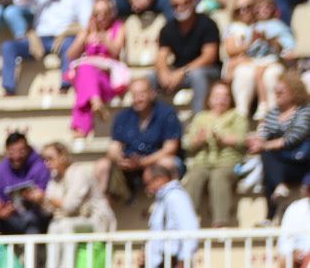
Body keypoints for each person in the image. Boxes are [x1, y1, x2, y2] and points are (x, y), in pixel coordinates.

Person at [0, 0, 92, 97]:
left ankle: (65, 86)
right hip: (40, 39)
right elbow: (19, 0)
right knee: (8, 47)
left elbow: (86, 23)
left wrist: (71, 32)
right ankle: (8, 89)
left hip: (65, 37)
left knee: (70, 44)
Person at [99, 77, 184, 202]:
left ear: (152, 93)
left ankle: (167, 205)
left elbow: (170, 148)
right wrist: (119, 159)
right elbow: (114, 147)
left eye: (142, 94)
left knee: (167, 163)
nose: (138, 99)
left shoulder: (166, 113)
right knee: (102, 166)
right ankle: (103, 211)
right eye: (134, 95)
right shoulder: (123, 116)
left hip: (155, 162)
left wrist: (143, 162)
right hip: (130, 165)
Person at [182, 81, 249, 227]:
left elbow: (243, 140)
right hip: (203, 163)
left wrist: (223, 138)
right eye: (217, 96)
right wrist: (197, 140)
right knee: (194, 177)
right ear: (209, 99)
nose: (221, 100)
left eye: (225, 96)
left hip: (233, 165)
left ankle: (221, 222)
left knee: (219, 176)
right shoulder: (201, 117)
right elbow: (187, 144)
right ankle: (186, 222)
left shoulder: (237, 116)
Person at [65, 0, 128, 136]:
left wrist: (103, 38)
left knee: (85, 75)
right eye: (97, 14)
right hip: (91, 77)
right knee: (85, 71)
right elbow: (70, 55)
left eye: (105, 13)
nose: (101, 17)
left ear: (111, 13)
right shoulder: (87, 31)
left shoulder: (119, 28)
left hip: (108, 77)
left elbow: (116, 52)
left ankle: (81, 127)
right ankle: (96, 103)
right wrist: (85, 35)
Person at [247, 74, 310, 219]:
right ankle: (279, 189)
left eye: (281, 92)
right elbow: (264, 135)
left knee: (267, 155)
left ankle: (270, 215)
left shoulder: (305, 111)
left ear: (294, 92)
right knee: (267, 158)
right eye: (276, 92)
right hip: (281, 163)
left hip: (302, 161)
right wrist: (255, 142)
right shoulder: (273, 112)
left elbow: (293, 138)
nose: (277, 95)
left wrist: (265, 144)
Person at [226, 0, 295, 119]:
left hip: (272, 62)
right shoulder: (247, 29)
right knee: (245, 74)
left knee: (271, 75)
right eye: (240, 9)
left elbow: (287, 48)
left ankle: (272, 116)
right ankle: (242, 117)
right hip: (253, 63)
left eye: (248, 7)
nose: (244, 11)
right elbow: (234, 50)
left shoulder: (277, 26)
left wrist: (271, 41)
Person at [155, 0, 221, 112]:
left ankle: (198, 119)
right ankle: (155, 122)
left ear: (194, 1)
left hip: (207, 70)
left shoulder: (207, 24)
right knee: (151, 77)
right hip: (179, 71)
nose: (181, 7)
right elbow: (161, 56)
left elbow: (209, 57)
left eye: (185, 2)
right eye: (176, 5)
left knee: (198, 75)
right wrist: (163, 73)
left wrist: (182, 72)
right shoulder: (168, 28)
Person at [41, 140, 115, 240]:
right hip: (73, 220)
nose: (46, 163)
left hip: (96, 219)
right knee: (54, 226)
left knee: (66, 225)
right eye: (44, 159)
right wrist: (40, 200)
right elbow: (48, 210)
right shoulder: (54, 177)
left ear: (62, 157)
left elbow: (70, 206)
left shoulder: (80, 172)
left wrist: (45, 198)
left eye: (50, 159)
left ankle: (69, 257)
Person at [0, 131, 53, 237]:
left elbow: (46, 194)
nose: (17, 156)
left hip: (35, 215)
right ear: (6, 151)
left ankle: (32, 253)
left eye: (21, 151)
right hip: (9, 217)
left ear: (27, 149)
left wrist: (38, 197)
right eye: (12, 152)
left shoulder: (40, 167)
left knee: (31, 220)